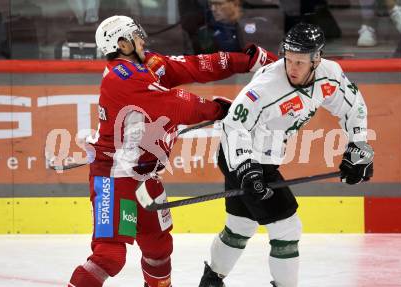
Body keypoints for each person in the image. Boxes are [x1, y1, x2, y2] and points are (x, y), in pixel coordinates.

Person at [67, 15, 277, 287]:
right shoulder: (121, 76)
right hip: (114, 178)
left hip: (145, 177)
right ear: (122, 43)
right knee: (110, 255)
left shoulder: (149, 64)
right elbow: (176, 105)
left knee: (158, 249)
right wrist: (219, 110)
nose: (142, 40)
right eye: (136, 35)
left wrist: (247, 61)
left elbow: (196, 66)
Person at [198, 22, 374, 287]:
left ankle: (210, 282)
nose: (291, 67)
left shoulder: (331, 75)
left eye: (299, 62)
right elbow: (234, 125)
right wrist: (246, 168)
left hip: (264, 159)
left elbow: (353, 106)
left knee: (240, 225)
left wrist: (358, 146)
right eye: (288, 59)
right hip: (243, 158)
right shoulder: (267, 86)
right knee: (287, 228)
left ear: (317, 59)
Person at [184, 0, 280, 54]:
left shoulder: (259, 24)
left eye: (218, 4)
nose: (213, 9)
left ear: (235, 3)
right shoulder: (205, 33)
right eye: (211, 5)